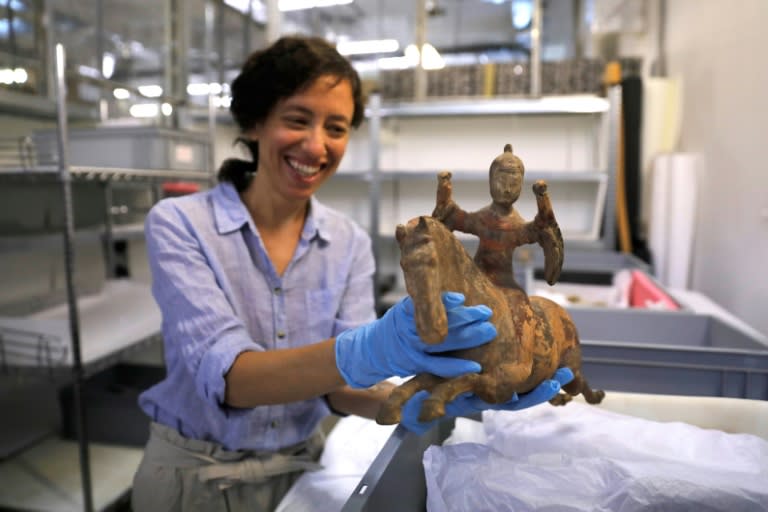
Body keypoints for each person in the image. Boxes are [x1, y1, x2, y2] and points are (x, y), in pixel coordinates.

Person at [131, 35, 572, 511]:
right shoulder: (180, 225)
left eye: (336, 128)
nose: (316, 145)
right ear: (256, 121)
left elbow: (341, 389)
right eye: (297, 120)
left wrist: (416, 398)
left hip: (300, 474)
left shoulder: (347, 242)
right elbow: (232, 380)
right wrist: (373, 348)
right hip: (191, 481)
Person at [433, 143, 565, 290]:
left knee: (520, 308)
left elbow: (543, 226)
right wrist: (444, 189)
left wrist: (542, 198)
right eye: (501, 182)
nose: (507, 189)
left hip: (505, 284)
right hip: (475, 279)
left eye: (514, 184)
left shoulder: (517, 227)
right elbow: (452, 216)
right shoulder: (481, 219)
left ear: (521, 188)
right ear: (490, 182)